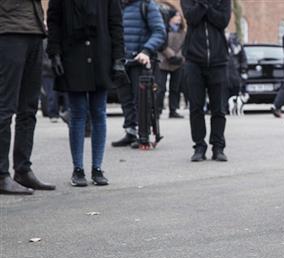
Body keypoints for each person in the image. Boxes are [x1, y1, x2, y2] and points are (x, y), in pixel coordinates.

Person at [47, 0, 125, 186]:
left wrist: (118, 58)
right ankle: (78, 169)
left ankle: (97, 168)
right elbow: (54, 22)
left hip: (101, 54)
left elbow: (116, 24)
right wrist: (54, 53)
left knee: (99, 112)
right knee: (78, 112)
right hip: (72, 54)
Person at [0, 0, 55, 195]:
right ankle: (1, 174)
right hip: (9, 31)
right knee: (5, 108)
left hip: (35, 29)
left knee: (29, 108)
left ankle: (23, 169)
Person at [181, 0, 232, 162]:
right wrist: (206, 6)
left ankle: (218, 147)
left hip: (219, 60)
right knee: (196, 106)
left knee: (219, 108)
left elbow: (222, 20)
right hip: (193, 60)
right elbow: (192, 18)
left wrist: (205, 7)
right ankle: (199, 146)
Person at [111, 0, 166, 149]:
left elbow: (160, 31)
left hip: (140, 61)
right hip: (122, 62)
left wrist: (146, 50)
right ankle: (130, 132)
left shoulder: (147, 5)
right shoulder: (116, 6)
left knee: (141, 101)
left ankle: (144, 133)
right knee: (125, 100)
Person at [156, 11, 186, 119]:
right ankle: (157, 110)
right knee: (160, 87)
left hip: (178, 63)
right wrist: (171, 55)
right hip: (164, 61)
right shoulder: (163, 30)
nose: (178, 18)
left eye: (179, 16)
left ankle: (173, 110)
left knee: (175, 88)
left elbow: (185, 46)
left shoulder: (183, 32)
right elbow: (161, 45)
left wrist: (178, 57)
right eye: (175, 16)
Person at [226, 32, 248, 99]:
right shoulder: (219, 43)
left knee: (234, 98)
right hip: (226, 77)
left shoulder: (236, 44)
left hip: (234, 77)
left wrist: (243, 70)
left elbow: (243, 59)